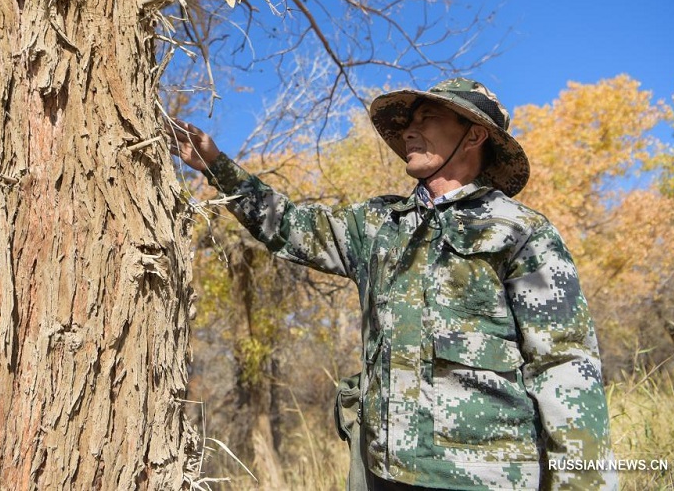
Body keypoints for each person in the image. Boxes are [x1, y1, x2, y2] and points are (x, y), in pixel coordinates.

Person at [170, 78, 616, 490]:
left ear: (475, 135)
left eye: (428, 119)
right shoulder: (378, 224)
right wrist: (213, 163)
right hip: (386, 472)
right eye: (407, 122)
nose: (408, 131)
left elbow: (564, 367)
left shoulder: (519, 231)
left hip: (485, 476)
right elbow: (287, 225)